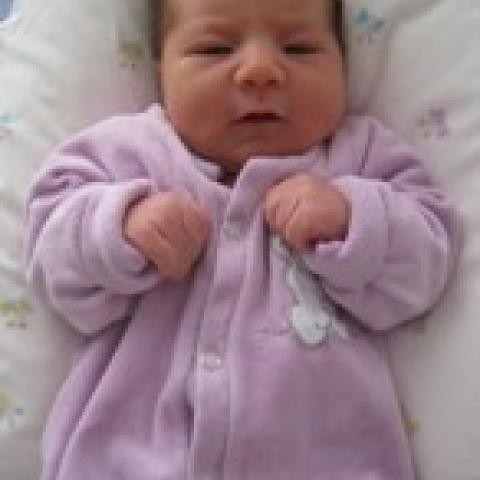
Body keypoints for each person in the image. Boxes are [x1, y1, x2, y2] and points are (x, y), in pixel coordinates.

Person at [25, 0, 462, 478]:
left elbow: (427, 261)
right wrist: (120, 229)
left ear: (343, 62)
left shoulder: (361, 156)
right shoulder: (129, 152)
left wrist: (352, 218)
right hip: (128, 457)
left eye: (299, 48)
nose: (260, 71)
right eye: (214, 49)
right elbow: (52, 252)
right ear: (161, 68)